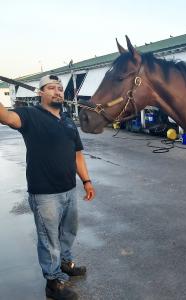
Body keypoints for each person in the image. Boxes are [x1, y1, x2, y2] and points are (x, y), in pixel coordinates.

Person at [0, 75, 95, 300]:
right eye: (51, 88)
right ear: (40, 93)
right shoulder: (30, 115)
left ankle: (65, 264)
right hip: (45, 193)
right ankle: (53, 284)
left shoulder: (68, 120)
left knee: (68, 233)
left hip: (69, 189)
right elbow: (4, 117)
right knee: (50, 240)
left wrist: (87, 181)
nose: (57, 92)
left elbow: (77, 155)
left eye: (60, 88)